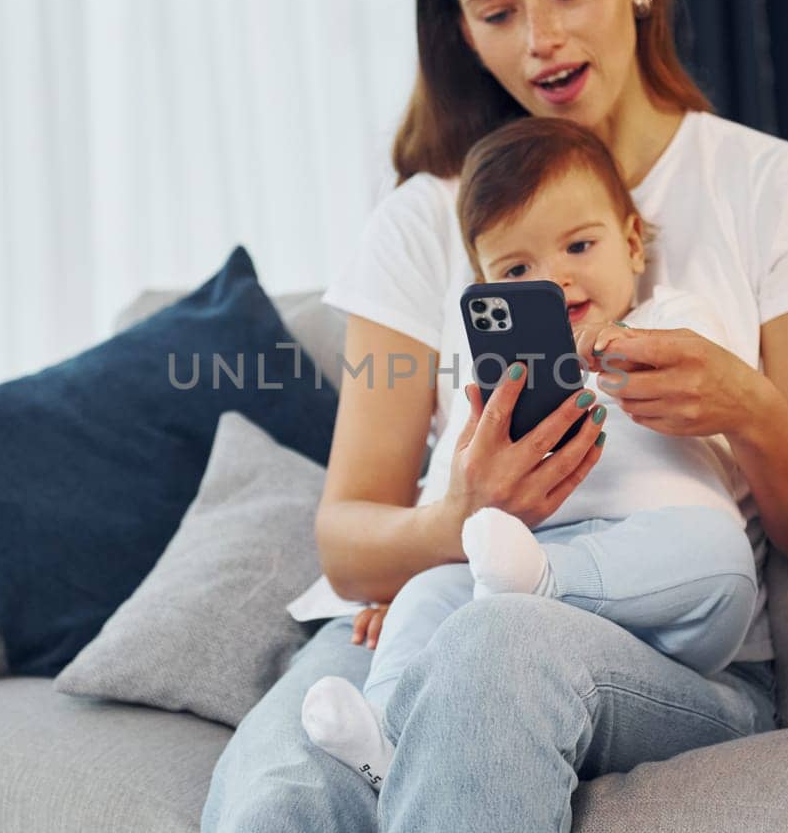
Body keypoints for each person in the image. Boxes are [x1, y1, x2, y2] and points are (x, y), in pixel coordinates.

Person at [191, 0, 788, 833]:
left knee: (496, 648)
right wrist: (452, 526)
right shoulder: (423, 224)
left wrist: (743, 403)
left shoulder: (778, 190)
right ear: (462, 30)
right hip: (434, 602)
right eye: (497, 11)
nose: (541, 40)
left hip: (669, 650)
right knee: (283, 793)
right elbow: (348, 539)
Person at [299, 116, 762, 793]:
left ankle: (544, 578)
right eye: (518, 269)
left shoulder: (673, 318)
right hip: (507, 581)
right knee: (426, 594)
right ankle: (385, 738)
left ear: (633, 243)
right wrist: (403, 589)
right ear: (484, 281)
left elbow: (705, 370)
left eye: (579, 246)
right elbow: (455, 492)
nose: (557, 281)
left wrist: (611, 347)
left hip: (655, 586)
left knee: (720, 552)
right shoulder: (488, 378)